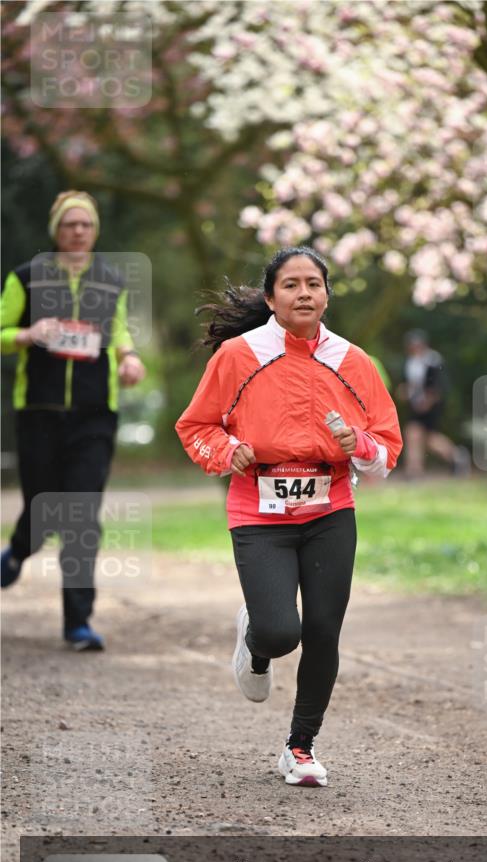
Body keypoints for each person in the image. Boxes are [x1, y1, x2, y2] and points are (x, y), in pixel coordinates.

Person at [176, 246, 402, 787]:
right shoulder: (237, 355)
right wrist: (230, 452)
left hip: (330, 509)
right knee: (282, 634)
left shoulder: (353, 361)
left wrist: (359, 444)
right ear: (271, 296)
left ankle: (300, 748)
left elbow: (388, 450)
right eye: (291, 284)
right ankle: (256, 635)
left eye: (314, 284)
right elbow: (197, 427)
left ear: (327, 294)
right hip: (259, 512)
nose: (304, 293)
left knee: (323, 631)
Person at [1, 190, 146, 650]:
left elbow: (119, 331)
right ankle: (19, 550)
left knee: (81, 515)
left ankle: (78, 623)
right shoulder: (26, 278)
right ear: (56, 231)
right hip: (39, 412)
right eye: (70, 224)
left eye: (86, 224)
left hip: (93, 416)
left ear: (95, 231)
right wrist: (25, 334)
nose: (78, 231)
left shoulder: (111, 281)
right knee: (43, 509)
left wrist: (129, 358)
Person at [398, 329, 469, 478]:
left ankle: (454, 457)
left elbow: (437, 386)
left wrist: (428, 402)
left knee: (425, 437)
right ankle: (415, 470)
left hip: (431, 406)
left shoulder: (433, 360)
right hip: (417, 405)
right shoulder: (412, 361)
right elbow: (412, 384)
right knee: (417, 435)